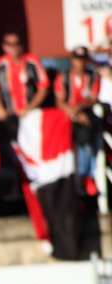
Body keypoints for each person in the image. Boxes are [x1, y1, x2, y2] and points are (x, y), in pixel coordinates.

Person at [55, 46, 101, 195]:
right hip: (67, 115)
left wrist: (79, 109)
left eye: (82, 60)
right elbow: (60, 101)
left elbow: (92, 98)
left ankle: (86, 175)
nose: (79, 63)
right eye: (76, 59)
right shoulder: (64, 77)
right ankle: (79, 178)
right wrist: (73, 113)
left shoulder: (93, 76)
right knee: (76, 142)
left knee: (89, 139)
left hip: (84, 114)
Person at [0, 32, 49, 118]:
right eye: (9, 44)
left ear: (22, 45)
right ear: (4, 46)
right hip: (8, 114)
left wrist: (29, 108)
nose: (13, 47)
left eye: (17, 43)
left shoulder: (33, 62)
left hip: (30, 113)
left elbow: (44, 87)